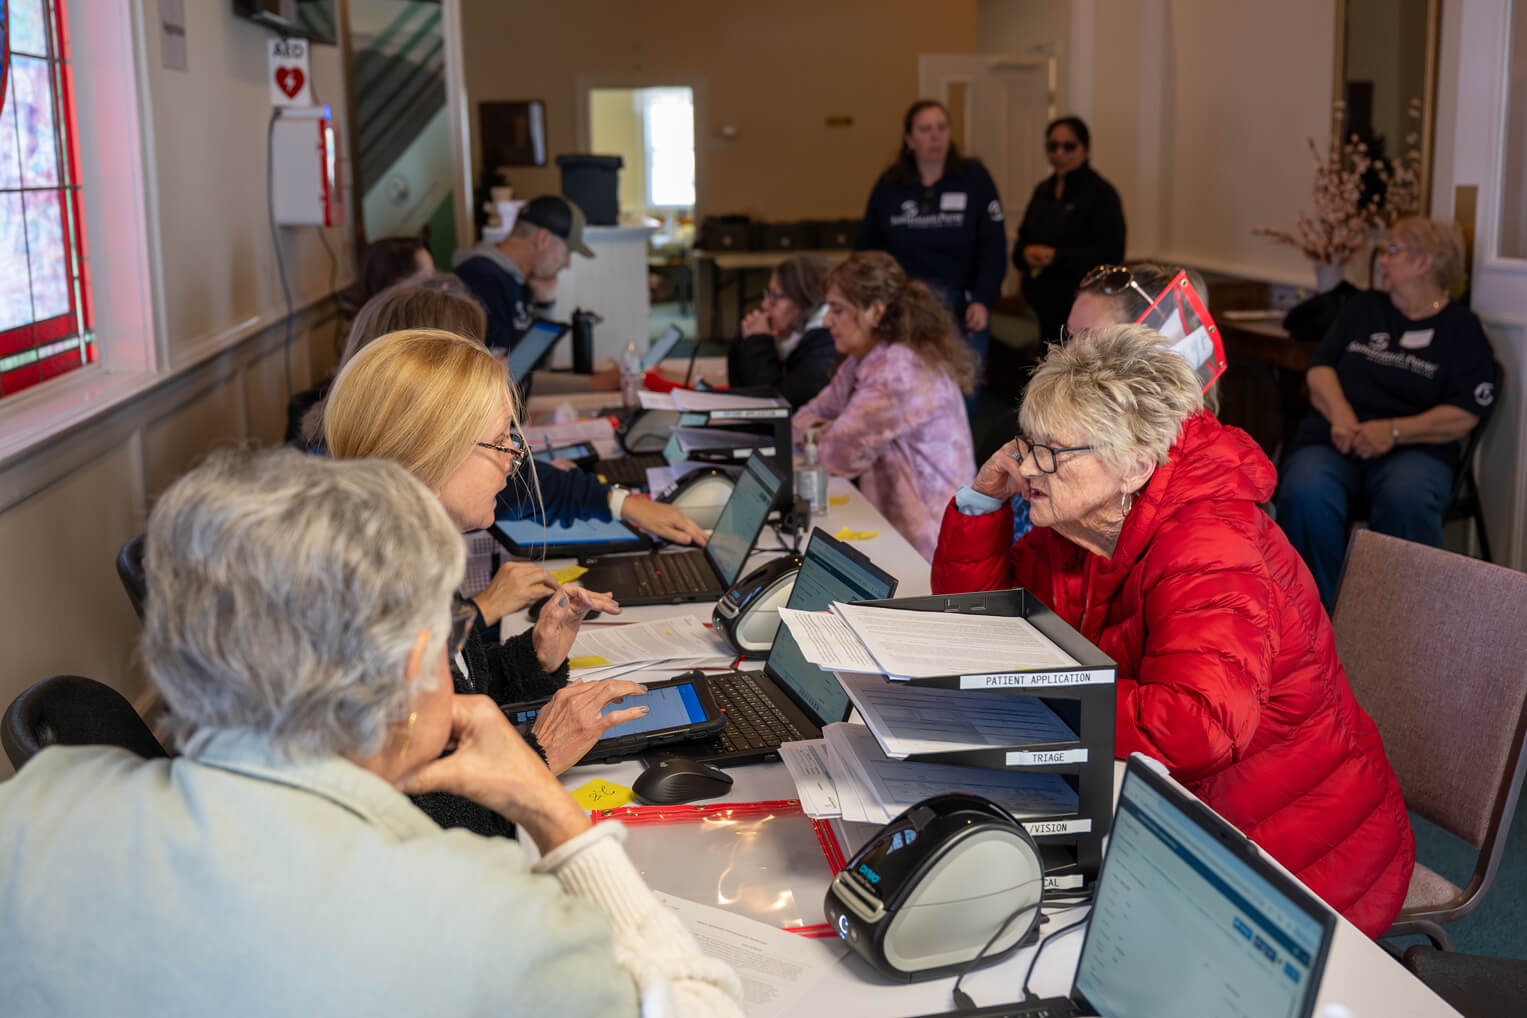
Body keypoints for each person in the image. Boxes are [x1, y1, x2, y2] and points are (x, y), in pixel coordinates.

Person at [0, 447, 743, 1015]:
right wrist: (556, 815)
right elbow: (700, 1003)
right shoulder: (472, 913)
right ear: (415, 665)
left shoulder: (33, 807)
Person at [930, 324, 1414, 938]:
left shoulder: (1209, 545)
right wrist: (983, 504)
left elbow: (1198, 727)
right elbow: (986, 629)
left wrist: (1043, 691)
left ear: (1134, 464)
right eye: (1026, 443)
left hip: (1290, 853)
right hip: (1166, 808)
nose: (1026, 466)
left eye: (1050, 450)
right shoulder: (1081, 525)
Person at [324, 329, 656, 838]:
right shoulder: (371, 611)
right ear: (433, 451)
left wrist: (534, 656)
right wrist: (539, 756)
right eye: (500, 439)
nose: (513, 456)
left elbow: (457, 700)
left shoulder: (411, 555)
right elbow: (425, 829)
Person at [303, 280, 708, 582]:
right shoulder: (372, 578)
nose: (514, 460)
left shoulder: (387, 528)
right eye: (470, 351)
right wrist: (486, 612)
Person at [1276, 218, 1495, 608]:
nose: (1383, 261)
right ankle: (1313, 620)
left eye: (1392, 251)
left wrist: (1393, 431)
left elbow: (1464, 413)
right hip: (1336, 438)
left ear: (1426, 262)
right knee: (1306, 489)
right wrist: (1342, 417)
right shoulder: (1363, 308)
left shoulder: (1462, 329)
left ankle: (1398, 623)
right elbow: (1321, 369)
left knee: (1406, 498)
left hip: (1414, 449)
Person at [792, 251, 976, 561]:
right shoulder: (863, 359)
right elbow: (801, 419)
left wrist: (827, 432)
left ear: (875, 311)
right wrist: (828, 430)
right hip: (893, 529)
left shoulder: (899, 371)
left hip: (931, 548)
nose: (826, 321)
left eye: (837, 310)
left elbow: (835, 457)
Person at [856, 99, 1007, 409]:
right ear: (909, 140)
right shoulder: (890, 186)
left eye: (941, 128)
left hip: (961, 307)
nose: (935, 136)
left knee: (962, 397)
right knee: (904, 394)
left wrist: (983, 298)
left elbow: (993, 246)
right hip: (904, 308)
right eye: (925, 129)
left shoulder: (974, 179)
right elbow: (867, 250)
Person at [1014, 117, 1127, 344]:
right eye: (1053, 146)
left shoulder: (1101, 194)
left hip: (1083, 305)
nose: (1060, 153)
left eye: (1069, 146)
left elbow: (1111, 254)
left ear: (1085, 149)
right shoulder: (1043, 191)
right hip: (1042, 303)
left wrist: (1056, 257)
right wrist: (1027, 254)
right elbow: (1019, 247)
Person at [453, 194, 594, 352]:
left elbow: (534, 367)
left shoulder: (523, 280)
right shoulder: (479, 279)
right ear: (543, 239)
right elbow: (500, 373)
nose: (567, 264)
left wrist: (544, 305)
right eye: (567, 252)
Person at [727, 253, 837, 408]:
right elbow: (741, 398)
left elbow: (774, 405)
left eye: (775, 296)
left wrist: (758, 342)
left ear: (804, 301)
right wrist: (745, 340)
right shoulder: (798, 336)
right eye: (768, 294)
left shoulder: (824, 344)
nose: (765, 305)